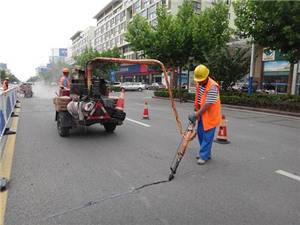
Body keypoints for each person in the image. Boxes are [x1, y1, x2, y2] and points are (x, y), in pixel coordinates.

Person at [188, 64, 221, 165]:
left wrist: (196, 114)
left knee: (207, 136)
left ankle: (203, 155)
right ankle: (207, 153)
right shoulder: (200, 83)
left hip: (210, 115)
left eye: (201, 79)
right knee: (201, 134)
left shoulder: (213, 86)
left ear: (206, 76)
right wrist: (195, 108)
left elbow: (207, 105)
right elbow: (199, 96)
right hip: (202, 114)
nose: (199, 82)